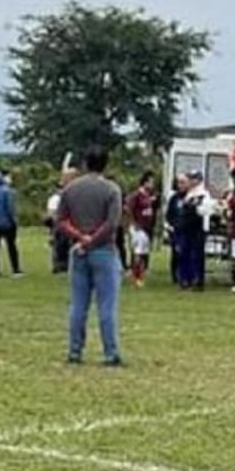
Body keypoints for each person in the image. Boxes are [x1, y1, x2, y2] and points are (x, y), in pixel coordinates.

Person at [56, 147, 124, 366]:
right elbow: (112, 223)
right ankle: (110, 352)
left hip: (79, 251)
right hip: (104, 250)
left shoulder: (70, 189)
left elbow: (61, 220)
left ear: (85, 163)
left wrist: (81, 238)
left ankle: (75, 351)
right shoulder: (112, 190)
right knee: (106, 305)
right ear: (106, 164)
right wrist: (93, 239)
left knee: (78, 305)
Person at [179, 171, 216, 290]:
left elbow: (203, 211)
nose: (190, 181)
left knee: (197, 255)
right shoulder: (190, 193)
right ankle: (187, 279)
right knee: (187, 253)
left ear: (198, 180)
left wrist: (192, 207)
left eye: (193, 179)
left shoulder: (203, 194)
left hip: (198, 228)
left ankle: (198, 280)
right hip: (188, 227)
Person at [0, 171, 23, 278]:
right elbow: (10, 208)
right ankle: (15, 269)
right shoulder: (8, 191)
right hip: (7, 223)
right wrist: (14, 220)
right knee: (11, 246)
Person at [125, 171, 160, 288]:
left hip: (146, 227)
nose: (152, 185)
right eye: (150, 182)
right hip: (138, 227)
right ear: (144, 182)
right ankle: (136, 277)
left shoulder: (149, 196)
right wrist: (133, 223)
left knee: (144, 252)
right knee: (138, 253)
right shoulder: (136, 195)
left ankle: (140, 275)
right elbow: (128, 209)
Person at [46, 169, 78, 274]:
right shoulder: (57, 197)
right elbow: (52, 213)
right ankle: (59, 265)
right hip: (61, 225)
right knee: (59, 245)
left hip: (73, 224)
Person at [164, 176, 188, 285]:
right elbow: (169, 214)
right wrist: (171, 225)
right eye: (179, 183)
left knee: (186, 253)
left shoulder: (190, 197)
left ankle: (185, 275)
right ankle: (175, 276)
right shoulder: (174, 198)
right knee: (176, 253)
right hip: (176, 230)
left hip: (187, 230)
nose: (181, 185)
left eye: (183, 183)